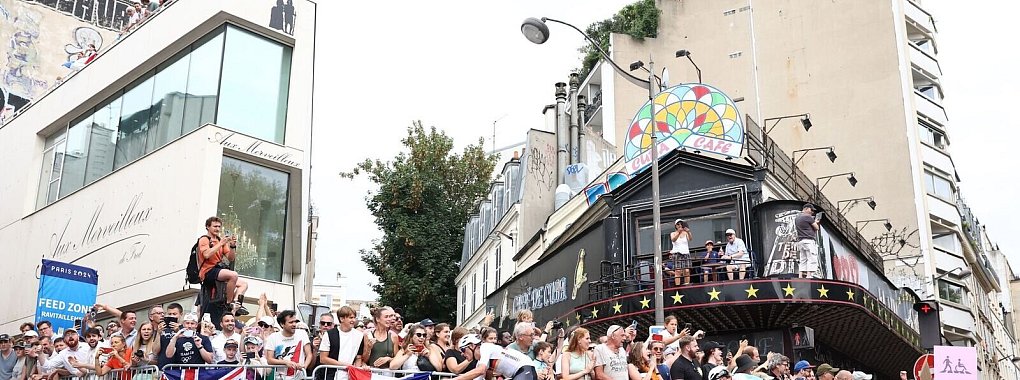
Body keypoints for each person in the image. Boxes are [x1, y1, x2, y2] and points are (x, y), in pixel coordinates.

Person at [197, 216, 249, 316]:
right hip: (207, 271)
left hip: (217, 269)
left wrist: (233, 246)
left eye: (219, 226)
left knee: (243, 285)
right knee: (233, 275)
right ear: (208, 227)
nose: (217, 229)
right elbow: (206, 254)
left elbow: (231, 258)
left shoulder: (221, 240)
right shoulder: (204, 239)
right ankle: (229, 303)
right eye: (215, 226)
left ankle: (236, 303)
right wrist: (220, 243)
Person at [448, 340, 536, 380]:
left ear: (472, 346)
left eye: (463, 350)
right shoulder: (481, 362)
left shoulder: (485, 347)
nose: (462, 354)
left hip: (525, 368)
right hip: (519, 372)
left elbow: (480, 371)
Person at [264, 310, 313, 379]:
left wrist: (304, 366)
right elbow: (269, 360)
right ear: (282, 324)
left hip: (299, 377)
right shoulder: (273, 337)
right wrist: (285, 362)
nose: (294, 324)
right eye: (291, 322)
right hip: (280, 377)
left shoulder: (302, 333)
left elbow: (309, 354)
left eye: (295, 321)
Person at [320, 306, 365, 380]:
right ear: (342, 319)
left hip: (350, 376)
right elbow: (323, 358)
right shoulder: (329, 334)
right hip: (331, 375)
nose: (353, 320)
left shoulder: (359, 335)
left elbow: (358, 357)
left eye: (354, 317)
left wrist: (355, 372)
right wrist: (346, 366)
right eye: (350, 318)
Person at [363, 306, 397, 371]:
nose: (389, 319)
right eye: (386, 317)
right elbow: (364, 360)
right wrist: (369, 348)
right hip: (372, 373)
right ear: (378, 319)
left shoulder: (393, 336)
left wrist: (388, 359)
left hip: (388, 374)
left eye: (390, 317)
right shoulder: (368, 335)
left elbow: (397, 359)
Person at [795, 204, 820, 278]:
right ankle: (809, 275)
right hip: (809, 240)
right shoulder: (808, 217)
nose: (812, 212)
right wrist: (816, 222)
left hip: (801, 241)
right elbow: (816, 227)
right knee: (811, 257)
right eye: (811, 210)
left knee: (803, 259)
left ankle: (800, 275)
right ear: (806, 209)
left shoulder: (797, 218)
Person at [157, 302, 184, 369]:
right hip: (163, 366)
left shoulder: (184, 329)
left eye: (174, 314)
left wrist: (178, 331)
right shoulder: (162, 328)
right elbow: (155, 351)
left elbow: (186, 345)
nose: (172, 316)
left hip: (179, 367)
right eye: (169, 314)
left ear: (181, 314)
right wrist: (158, 333)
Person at [670, 219, 693, 286]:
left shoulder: (685, 233)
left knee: (687, 271)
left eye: (681, 224)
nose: (680, 225)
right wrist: (679, 233)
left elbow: (690, 239)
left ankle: (687, 284)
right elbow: (673, 240)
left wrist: (688, 232)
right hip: (677, 253)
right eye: (678, 224)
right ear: (676, 226)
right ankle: (677, 286)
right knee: (678, 271)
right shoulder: (673, 233)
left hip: (685, 253)